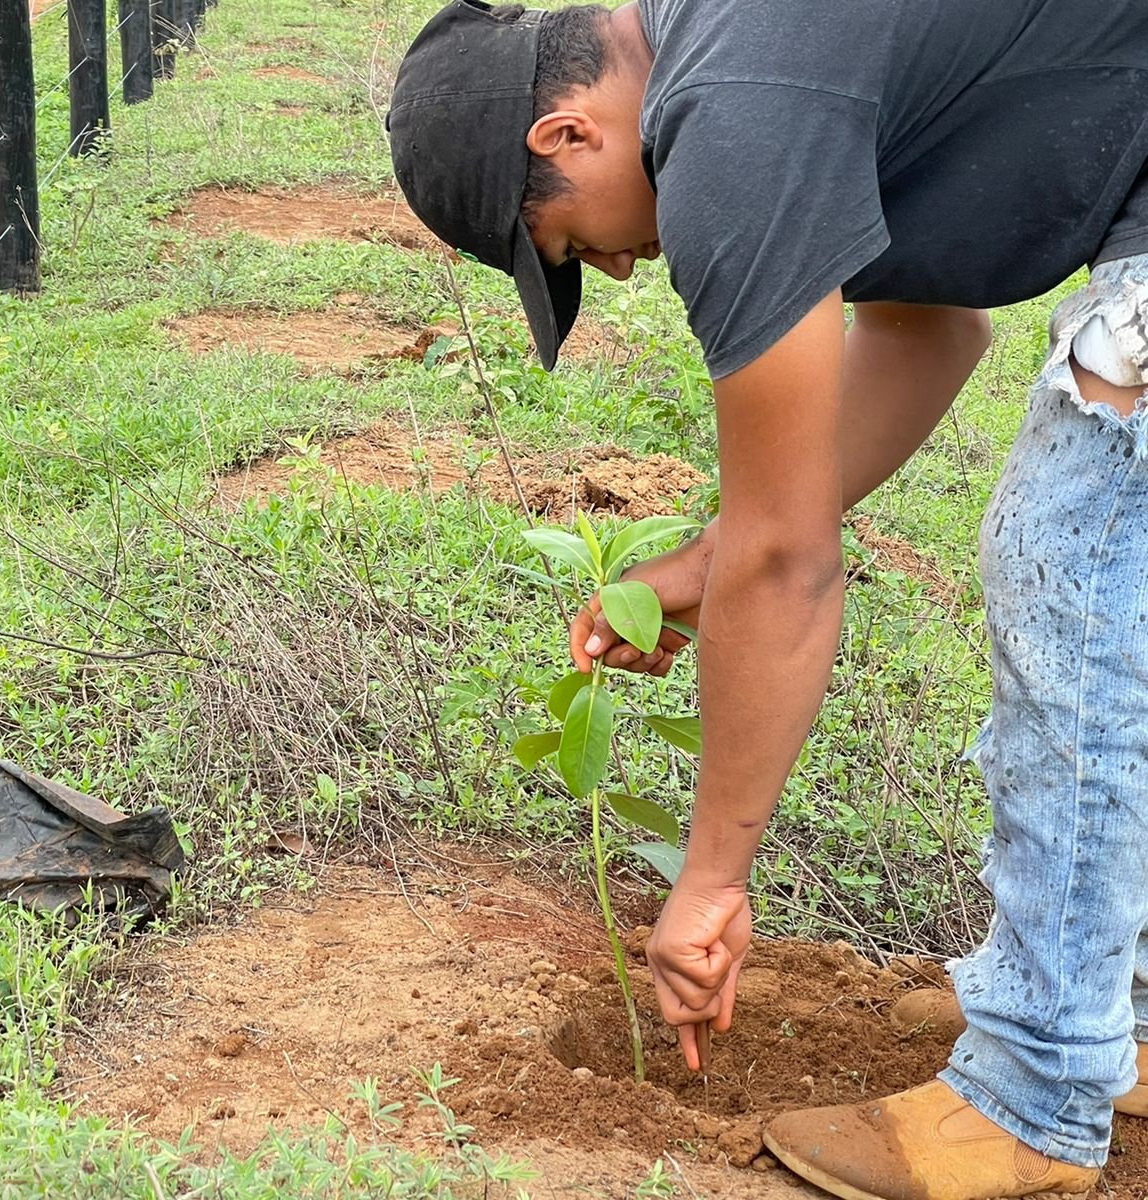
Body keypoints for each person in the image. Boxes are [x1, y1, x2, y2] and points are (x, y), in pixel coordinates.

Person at [385, 1, 1148, 1197]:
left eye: (576, 248)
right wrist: (708, 553)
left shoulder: (731, 117)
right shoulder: (742, 42)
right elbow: (929, 326)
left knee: (1077, 575)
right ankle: (1127, 1018)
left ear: (564, 134)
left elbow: (786, 568)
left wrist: (711, 882)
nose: (627, 268)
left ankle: (1040, 1092)